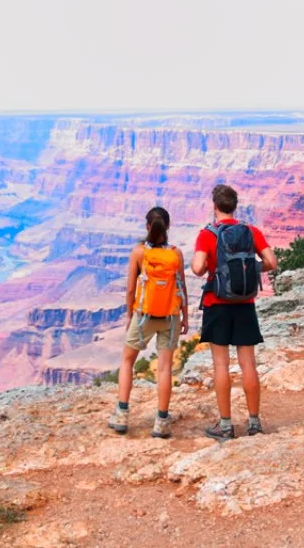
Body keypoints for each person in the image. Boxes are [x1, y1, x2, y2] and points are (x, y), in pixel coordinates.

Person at [191, 183, 277, 440]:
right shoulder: (251, 231)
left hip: (217, 303)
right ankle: (254, 423)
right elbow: (271, 262)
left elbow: (197, 268)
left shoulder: (207, 234)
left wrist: (211, 265)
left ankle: (226, 425)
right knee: (248, 363)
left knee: (221, 364)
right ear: (235, 206)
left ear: (214, 207)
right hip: (245, 305)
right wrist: (252, 269)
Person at [109, 206, 188, 438]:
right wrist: (185, 316)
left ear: (147, 226)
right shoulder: (176, 253)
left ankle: (122, 415)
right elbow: (181, 286)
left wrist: (129, 315)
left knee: (127, 361)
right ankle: (161, 422)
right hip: (170, 317)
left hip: (143, 316)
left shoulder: (139, 252)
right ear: (168, 226)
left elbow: (131, 288)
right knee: (164, 369)